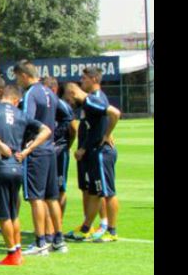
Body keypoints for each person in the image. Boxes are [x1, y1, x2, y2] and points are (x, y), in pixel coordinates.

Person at [0, 85, 52, 266]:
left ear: (3, 95)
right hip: (17, 167)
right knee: (13, 212)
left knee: (3, 215)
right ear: (16, 100)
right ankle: (17, 250)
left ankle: (12, 254)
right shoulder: (21, 114)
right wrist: (28, 150)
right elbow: (47, 130)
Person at [13, 60, 68, 256]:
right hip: (50, 149)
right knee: (51, 196)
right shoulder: (49, 92)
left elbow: (25, 120)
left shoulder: (30, 94)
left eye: (18, 77)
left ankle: (40, 241)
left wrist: (22, 143)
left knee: (36, 197)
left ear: (24, 75)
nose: (18, 82)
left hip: (35, 150)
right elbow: (64, 116)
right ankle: (58, 240)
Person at [63, 74, 122, 242]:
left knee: (108, 192)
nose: (71, 102)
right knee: (96, 191)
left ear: (72, 93)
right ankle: (86, 228)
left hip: (102, 152)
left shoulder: (91, 101)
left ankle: (111, 231)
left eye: (69, 98)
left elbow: (115, 113)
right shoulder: (90, 101)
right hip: (96, 152)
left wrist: (107, 134)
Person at [43, 77, 77, 221]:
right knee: (44, 190)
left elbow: (73, 128)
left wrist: (67, 145)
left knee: (60, 188)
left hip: (60, 151)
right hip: (45, 150)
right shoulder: (43, 106)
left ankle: (58, 223)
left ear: (54, 90)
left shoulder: (62, 106)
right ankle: (48, 225)